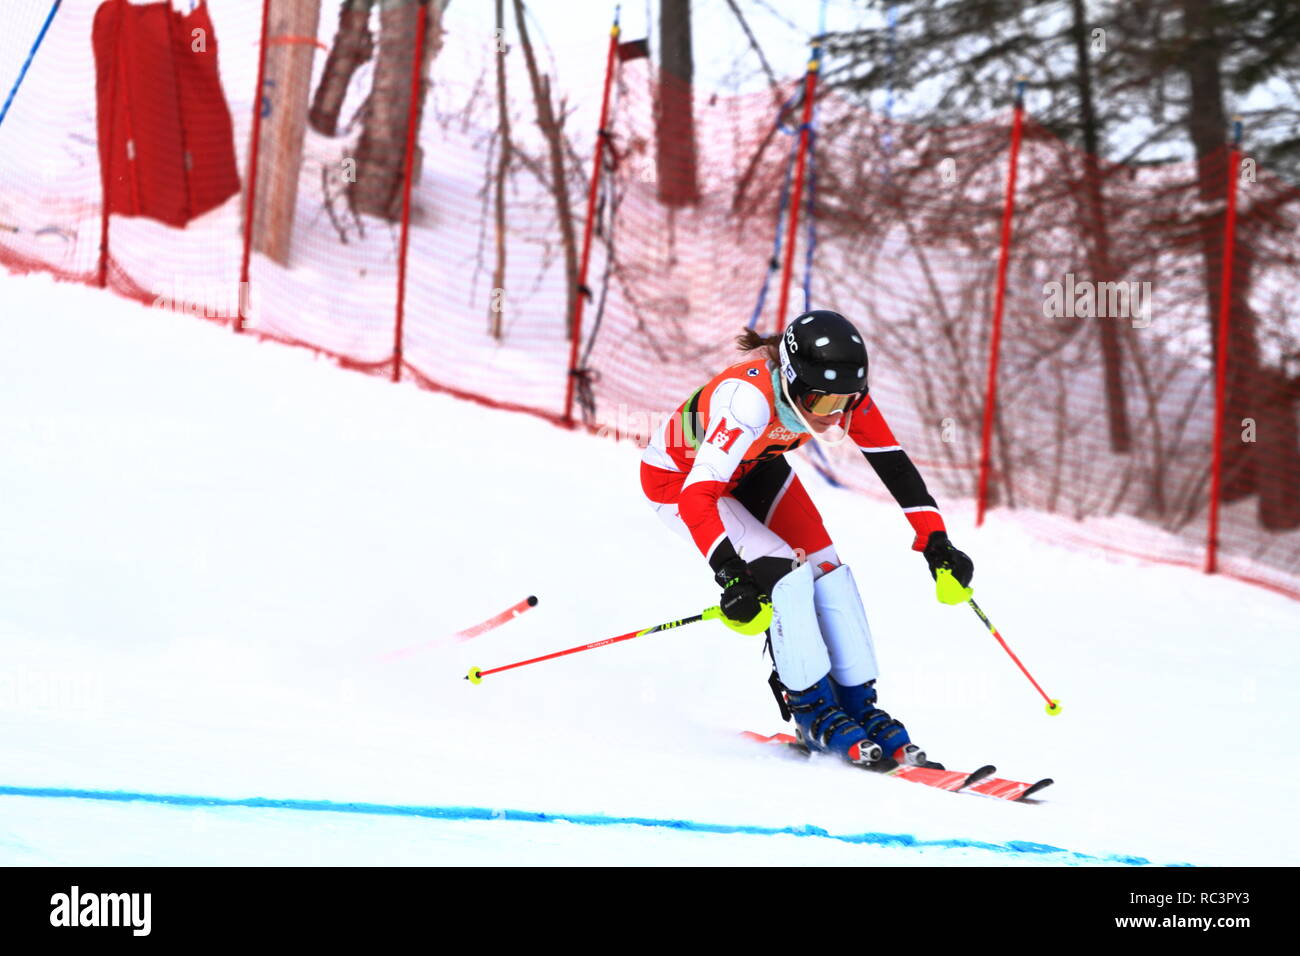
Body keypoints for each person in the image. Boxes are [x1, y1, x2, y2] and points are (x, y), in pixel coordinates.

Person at [639, 310, 974, 768]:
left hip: (752, 468)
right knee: (786, 575)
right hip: (679, 482)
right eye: (821, 403)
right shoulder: (748, 400)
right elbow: (700, 495)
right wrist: (733, 577)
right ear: (792, 382)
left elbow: (893, 464)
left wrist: (937, 542)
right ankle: (812, 709)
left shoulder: (842, 400)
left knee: (827, 567)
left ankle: (860, 706)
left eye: (846, 401)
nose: (833, 414)